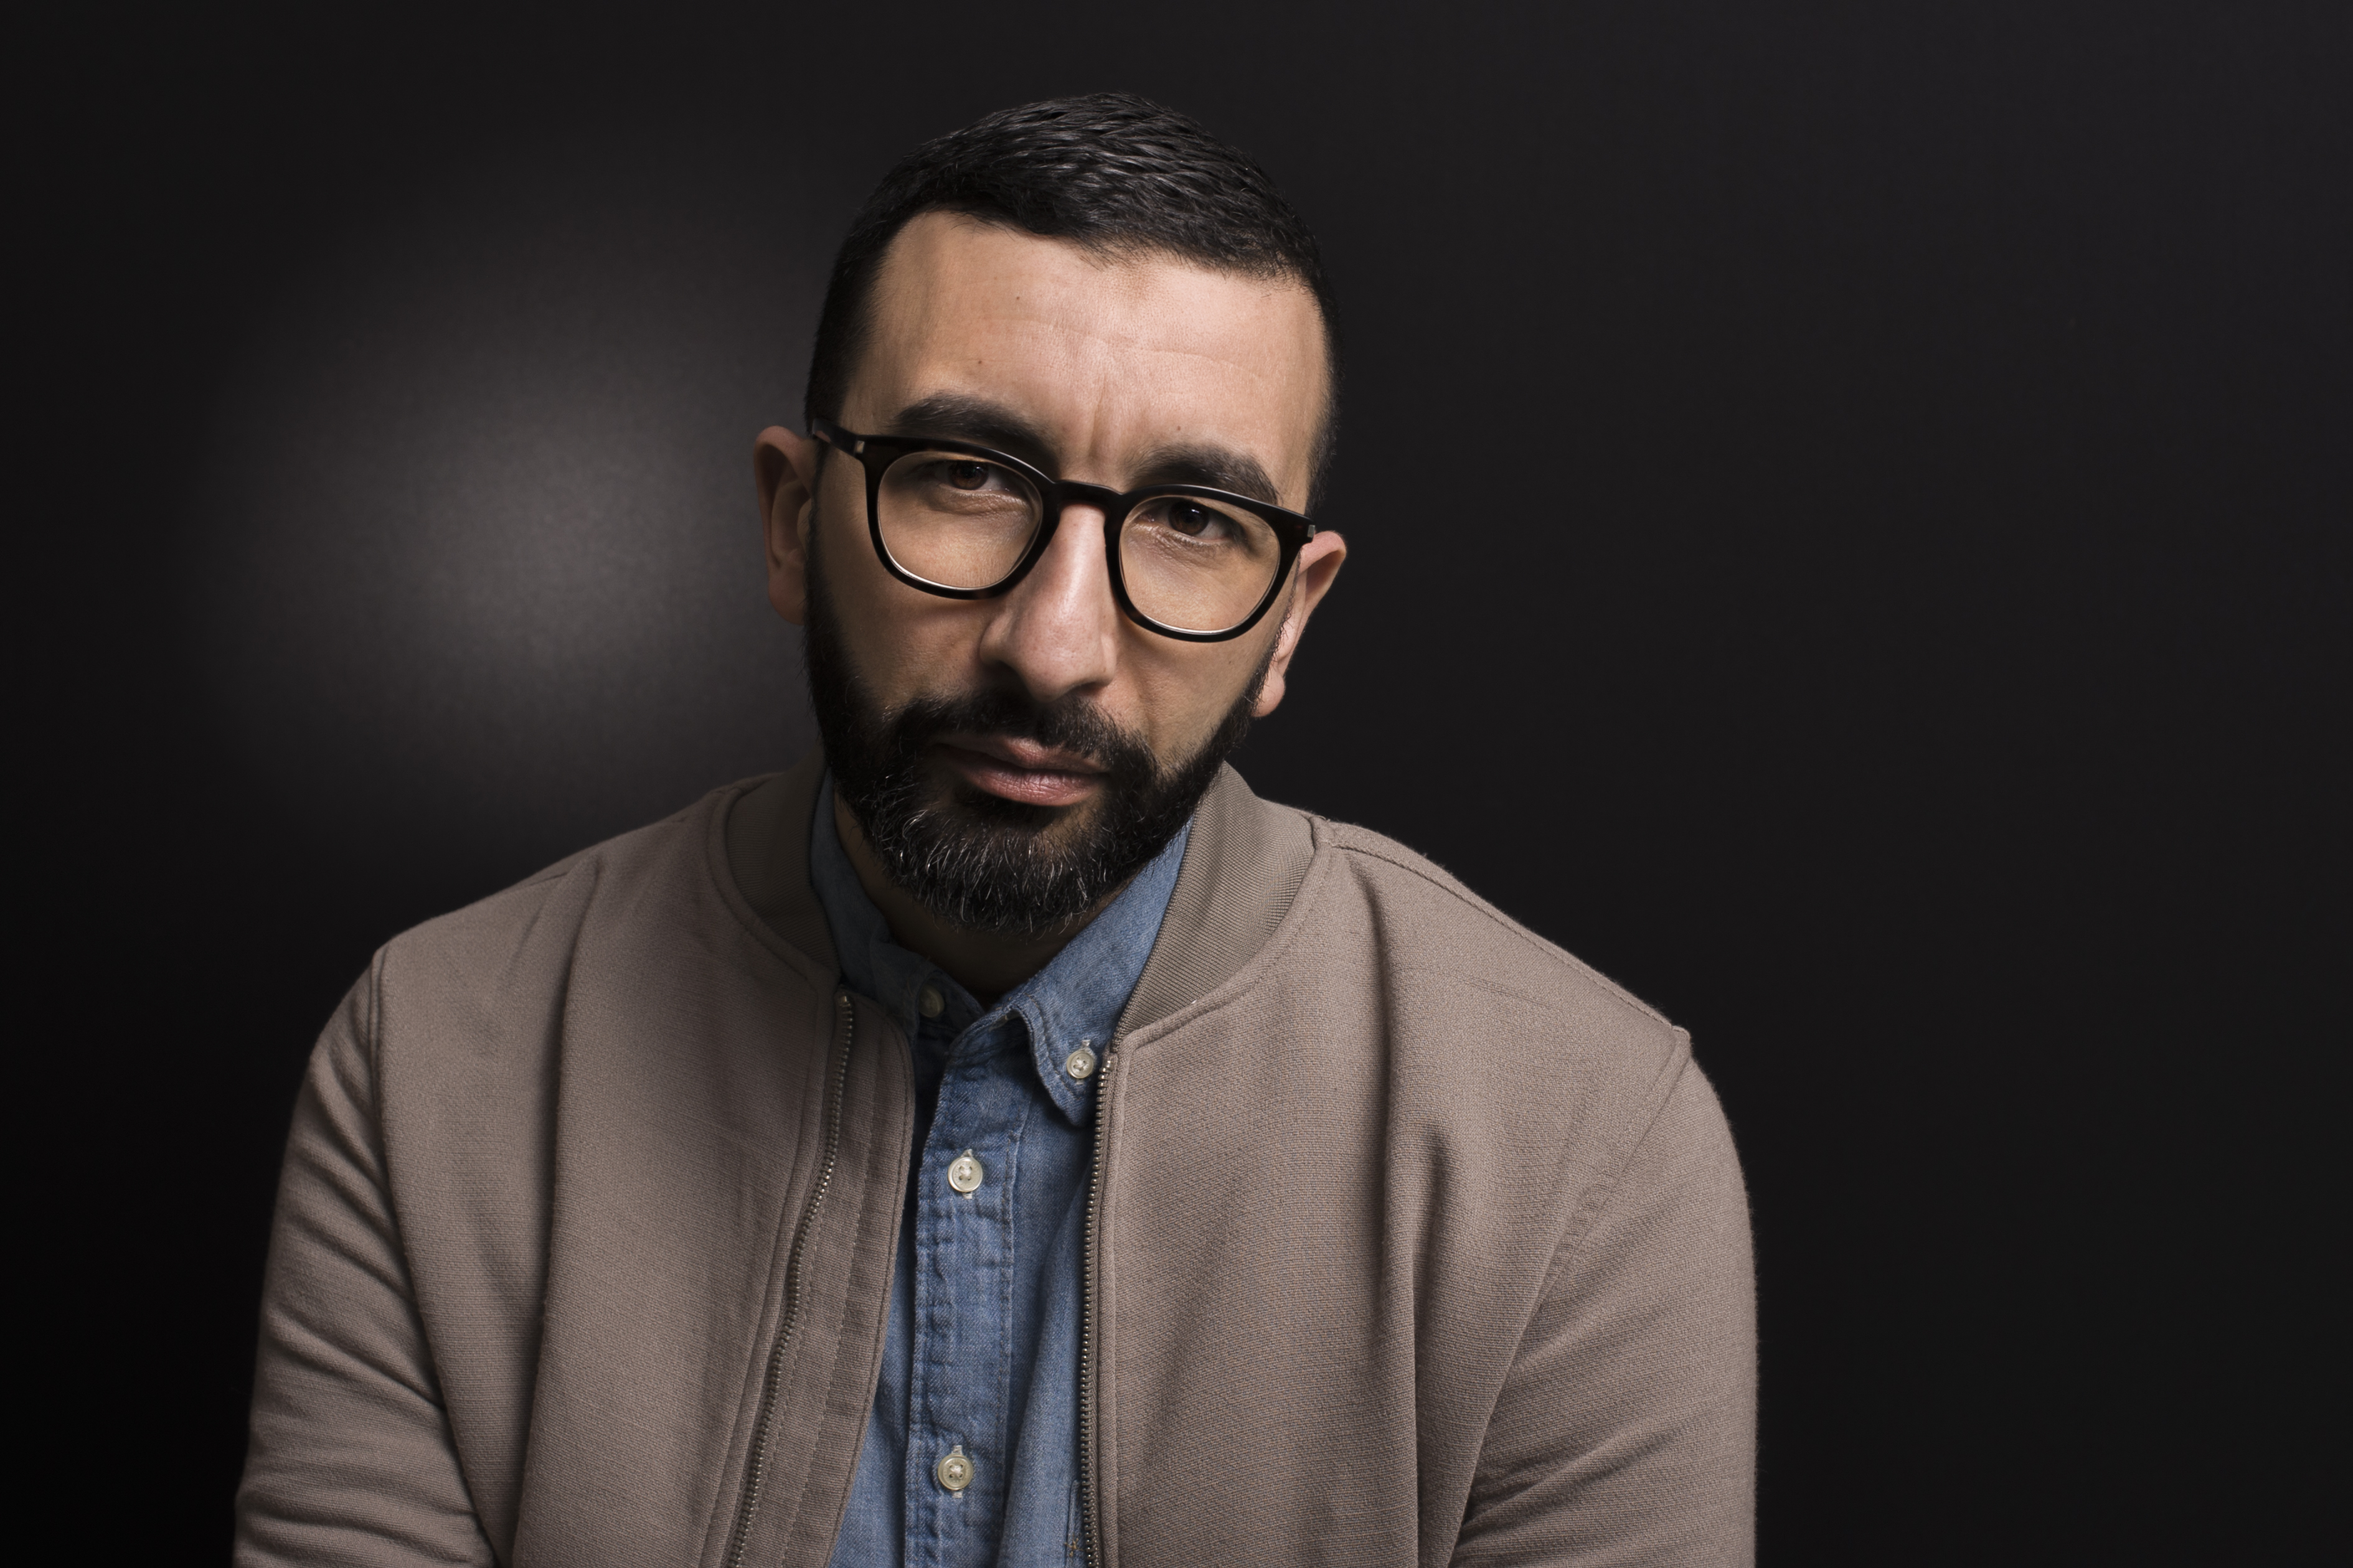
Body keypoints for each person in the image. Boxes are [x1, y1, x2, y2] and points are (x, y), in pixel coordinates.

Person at [235, 93, 1755, 1567]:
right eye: (965, 476)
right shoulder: (431, 1068)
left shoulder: (1587, 1153)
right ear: (792, 520)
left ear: (1289, 621)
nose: (1055, 646)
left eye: (1195, 518)